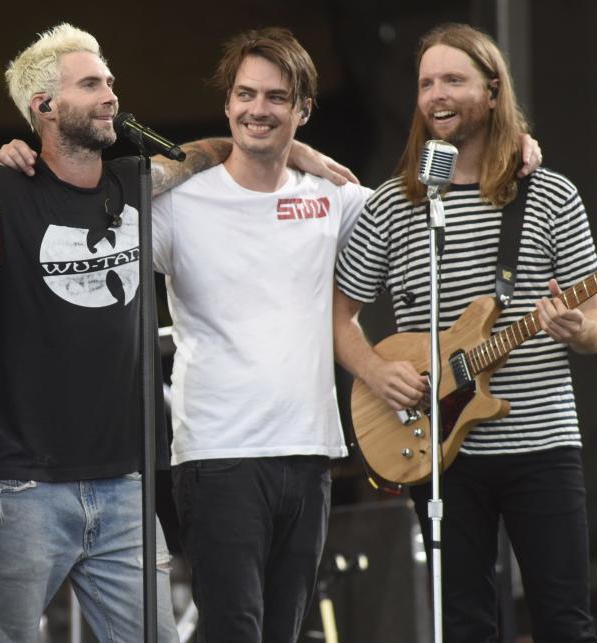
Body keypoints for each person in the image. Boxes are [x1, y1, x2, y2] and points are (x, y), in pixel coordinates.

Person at [0, 22, 357, 642]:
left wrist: (289, 150)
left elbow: (203, 154)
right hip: (26, 480)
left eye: (110, 80)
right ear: (43, 106)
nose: (111, 94)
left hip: (125, 481)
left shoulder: (137, 187)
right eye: (92, 84)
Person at [333, 23, 597, 642]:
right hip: (436, 444)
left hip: (542, 441)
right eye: (426, 82)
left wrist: (575, 328)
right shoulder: (390, 206)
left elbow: (596, 327)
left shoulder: (551, 195)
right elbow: (337, 313)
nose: (436, 93)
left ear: (491, 91)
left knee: (565, 621)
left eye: (453, 79)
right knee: (462, 625)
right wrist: (375, 371)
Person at [146, 28, 371, 641]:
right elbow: (108, 197)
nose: (257, 109)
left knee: (285, 633)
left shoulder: (334, 198)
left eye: (276, 98)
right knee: (234, 630)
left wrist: (517, 150)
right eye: (245, 94)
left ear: (303, 110)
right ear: (226, 104)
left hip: (309, 454)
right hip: (218, 456)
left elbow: (420, 207)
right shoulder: (179, 203)